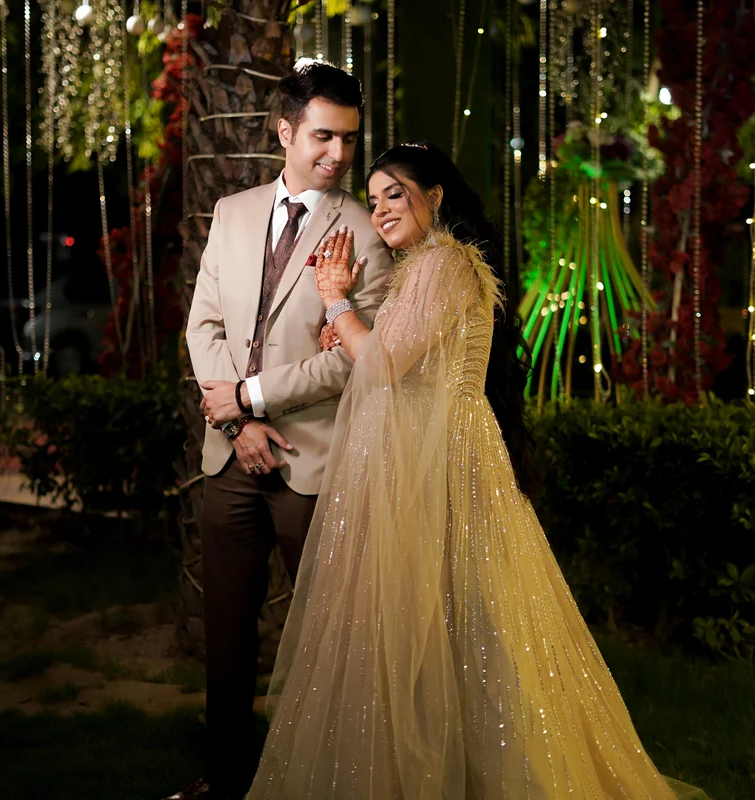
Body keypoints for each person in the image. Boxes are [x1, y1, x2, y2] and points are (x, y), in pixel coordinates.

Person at [246, 142, 709, 799]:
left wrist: (335, 300)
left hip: (444, 461)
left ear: (435, 197)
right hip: (422, 453)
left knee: (469, 614)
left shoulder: (445, 262)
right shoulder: (428, 268)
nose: (379, 210)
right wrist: (350, 323)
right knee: (442, 615)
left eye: (394, 194)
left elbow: (384, 363)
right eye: (373, 199)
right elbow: (393, 359)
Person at [177, 62, 394, 800]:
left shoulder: (368, 233)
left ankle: (337, 783)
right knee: (228, 642)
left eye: (349, 140)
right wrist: (239, 417)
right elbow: (202, 323)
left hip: (317, 462)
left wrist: (250, 395)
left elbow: (353, 365)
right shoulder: (232, 212)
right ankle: (227, 780)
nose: (338, 155)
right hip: (230, 459)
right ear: (285, 131)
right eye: (323, 137)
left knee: (336, 647)